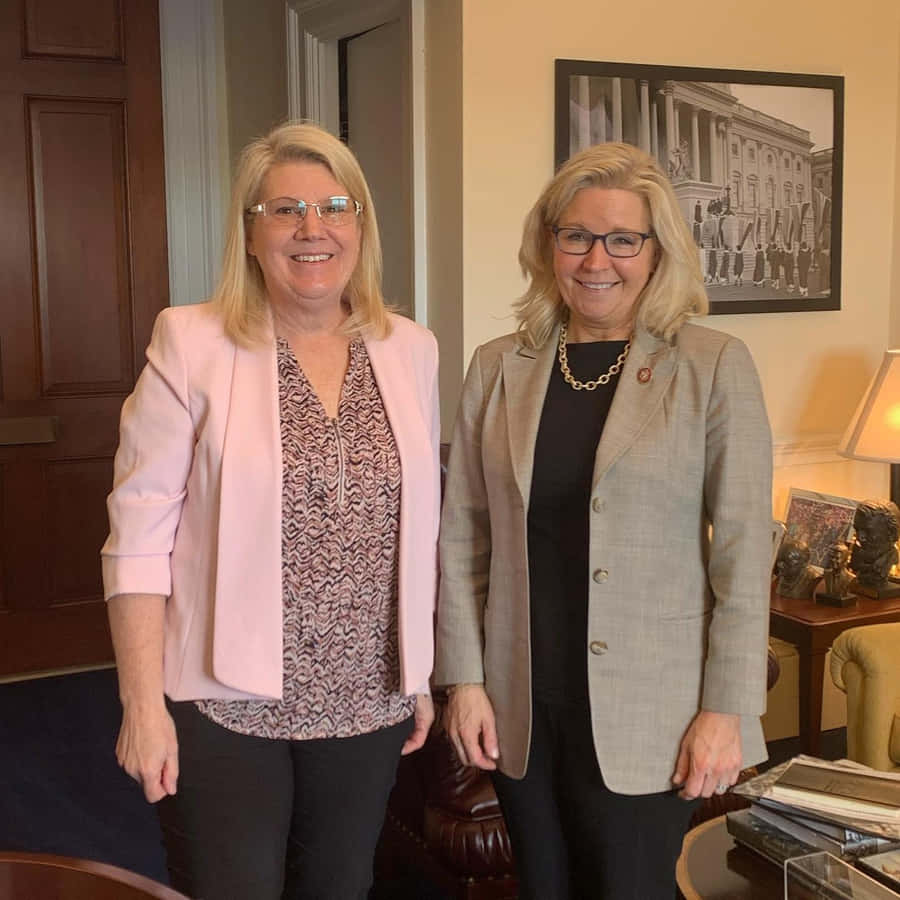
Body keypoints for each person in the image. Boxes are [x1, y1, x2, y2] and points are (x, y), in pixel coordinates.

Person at [101, 121, 441, 900]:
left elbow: (417, 529)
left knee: (340, 886)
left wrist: (418, 670)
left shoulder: (409, 347)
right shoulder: (191, 341)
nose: (312, 228)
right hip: (224, 701)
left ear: (361, 225)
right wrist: (142, 705)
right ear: (251, 234)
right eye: (284, 210)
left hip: (367, 697)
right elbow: (138, 536)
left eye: (334, 205)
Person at [435, 142, 772, 899]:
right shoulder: (498, 366)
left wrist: (726, 709)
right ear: (548, 244)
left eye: (623, 239)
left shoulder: (712, 365)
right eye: (577, 235)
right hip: (523, 709)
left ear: (657, 253)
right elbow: (463, 539)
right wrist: (463, 680)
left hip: (649, 714)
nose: (597, 259)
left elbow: (746, 556)